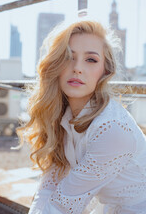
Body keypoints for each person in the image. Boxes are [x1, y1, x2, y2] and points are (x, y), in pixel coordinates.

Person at [17, 18, 146, 214]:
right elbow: (49, 188)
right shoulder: (64, 116)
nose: (77, 68)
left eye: (91, 60)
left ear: (105, 71)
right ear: (56, 65)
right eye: (68, 57)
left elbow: (63, 204)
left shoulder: (111, 128)